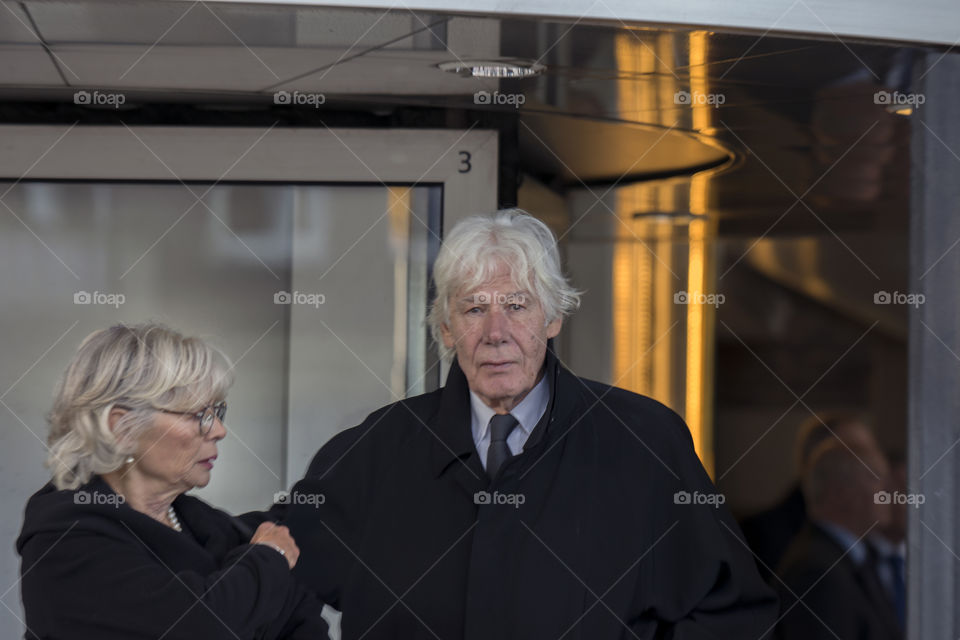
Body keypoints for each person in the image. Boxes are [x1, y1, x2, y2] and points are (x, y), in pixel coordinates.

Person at [250, 209, 778, 639]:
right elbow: (268, 574)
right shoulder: (374, 452)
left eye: (517, 305)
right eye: (474, 309)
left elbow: (733, 615)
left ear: (553, 318)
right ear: (446, 328)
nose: (496, 332)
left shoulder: (644, 441)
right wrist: (169, 515)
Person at [16, 324, 328, 640]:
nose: (219, 430)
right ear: (122, 428)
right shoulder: (64, 541)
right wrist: (269, 558)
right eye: (198, 415)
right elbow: (192, 627)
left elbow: (297, 613)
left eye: (218, 411)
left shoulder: (204, 523)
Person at [774, 440, 901, 640]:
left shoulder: (852, 560)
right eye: (875, 477)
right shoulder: (816, 572)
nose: (888, 490)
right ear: (840, 492)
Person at [740, 411, 884, 578]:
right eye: (856, 454)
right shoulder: (764, 536)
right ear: (819, 458)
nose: (874, 464)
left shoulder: (870, 536)